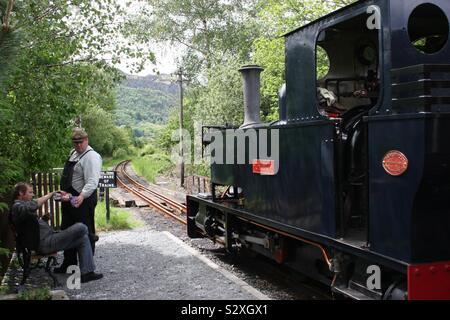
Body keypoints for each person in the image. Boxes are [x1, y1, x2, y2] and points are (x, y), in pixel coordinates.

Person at [10, 182, 103, 283]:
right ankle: (90, 235)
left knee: (82, 239)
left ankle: (87, 273)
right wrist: (50, 195)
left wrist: (43, 220)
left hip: (47, 239)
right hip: (44, 244)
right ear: (20, 193)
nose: (32, 195)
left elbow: (31, 225)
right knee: (81, 227)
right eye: (30, 192)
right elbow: (32, 206)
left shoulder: (19, 206)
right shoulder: (17, 206)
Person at [55, 127, 102, 273]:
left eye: (81, 142)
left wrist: (81, 196)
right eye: (75, 142)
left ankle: (87, 269)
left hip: (83, 200)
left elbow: (92, 181)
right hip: (69, 199)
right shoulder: (73, 154)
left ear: (86, 140)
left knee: (85, 232)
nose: (78, 145)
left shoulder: (91, 157)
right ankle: (69, 264)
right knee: (67, 231)